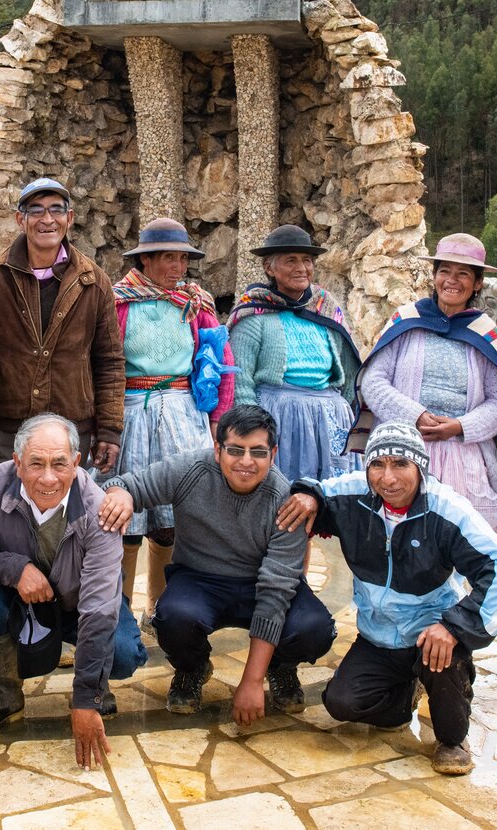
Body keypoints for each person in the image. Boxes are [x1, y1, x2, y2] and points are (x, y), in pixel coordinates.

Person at [281, 421, 497, 774]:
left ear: (420, 467)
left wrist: (456, 627)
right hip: (378, 637)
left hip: (432, 634)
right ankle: (405, 694)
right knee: (341, 703)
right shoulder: (355, 496)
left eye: (400, 464)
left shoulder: (447, 510)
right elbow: (318, 491)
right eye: (377, 464)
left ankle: (453, 735)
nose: (387, 478)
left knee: (445, 686)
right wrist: (309, 496)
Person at [98, 404, 337, 720]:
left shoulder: (287, 499)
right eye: (235, 450)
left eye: (258, 452)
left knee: (313, 628)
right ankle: (193, 668)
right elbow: (129, 485)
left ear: (274, 453)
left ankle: (280, 664)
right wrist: (122, 495)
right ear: (217, 449)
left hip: (260, 583)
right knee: (173, 618)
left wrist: (251, 681)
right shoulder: (190, 470)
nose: (246, 462)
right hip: (199, 578)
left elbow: (275, 590)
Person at [0, 413, 148, 768]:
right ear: (17, 463)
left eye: (60, 464)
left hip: (79, 604)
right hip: (20, 599)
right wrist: (16, 570)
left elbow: (98, 608)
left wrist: (84, 698)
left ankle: (99, 682)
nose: (48, 478)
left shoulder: (99, 509)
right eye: (35, 464)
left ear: (77, 463)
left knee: (122, 654)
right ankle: (5, 694)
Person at [111, 218, 234, 628]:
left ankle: (158, 606)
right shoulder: (118, 302)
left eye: (183, 258)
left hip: (183, 411)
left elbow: (219, 362)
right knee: (124, 516)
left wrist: (218, 419)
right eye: (168, 257)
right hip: (131, 410)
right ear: (145, 259)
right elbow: (103, 363)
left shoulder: (195, 303)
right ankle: (120, 609)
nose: (178, 266)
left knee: (171, 517)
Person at [352, 233, 497, 532]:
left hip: (464, 455)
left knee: (463, 544)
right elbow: (374, 381)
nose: (452, 280)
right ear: (434, 276)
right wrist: (416, 416)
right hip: (403, 451)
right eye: (444, 271)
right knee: (399, 539)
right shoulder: (407, 319)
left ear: (477, 283)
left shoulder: (484, 331)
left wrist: (460, 427)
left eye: (463, 273)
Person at [0, 177, 125, 472]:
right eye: (36, 210)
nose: (47, 219)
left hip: (70, 429)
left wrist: (109, 429)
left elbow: (109, 362)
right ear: (20, 219)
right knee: (2, 511)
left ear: (70, 218)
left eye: (56, 210)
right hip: (4, 430)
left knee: (61, 515)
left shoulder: (93, 281)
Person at [229, 225, 362, 483]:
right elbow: (240, 381)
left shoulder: (324, 307)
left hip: (331, 419)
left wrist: (345, 412)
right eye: (291, 260)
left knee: (333, 497)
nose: (301, 268)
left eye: (307, 260)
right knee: (284, 496)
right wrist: (255, 430)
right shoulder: (254, 313)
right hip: (279, 418)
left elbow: (350, 369)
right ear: (270, 268)